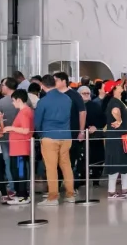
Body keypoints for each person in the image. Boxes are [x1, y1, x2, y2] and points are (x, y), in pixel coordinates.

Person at [33, 75, 75, 205]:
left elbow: (37, 122)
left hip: (49, 136)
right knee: (66, 166)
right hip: (66, 136)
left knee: (51, 168)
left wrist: (40, 134)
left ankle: (53, 197)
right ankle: (70, 195)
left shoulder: (43, 101)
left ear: (42, 85)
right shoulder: (67, 99)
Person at [103, 82, 127, 199]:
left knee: (125, 161)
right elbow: (115, 111)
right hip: (117, 137)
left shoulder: (119, 101)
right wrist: (120, 120)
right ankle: (111, 191)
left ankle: (125, 188)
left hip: (123, 136)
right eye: (118, 85)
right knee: (116, 161)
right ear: (114, 89)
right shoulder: (114, 102)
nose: (121, 85)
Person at [2, 90, 34, 205]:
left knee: (20, 172)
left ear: (19, 100)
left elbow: (26, 130)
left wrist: (10, 128)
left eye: (13, 101)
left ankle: (23, 195)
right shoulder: (25, 111)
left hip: (21, 146)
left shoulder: (24, 112)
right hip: (17, 147)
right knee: (16, 170)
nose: (12, 103)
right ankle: (21, 194)